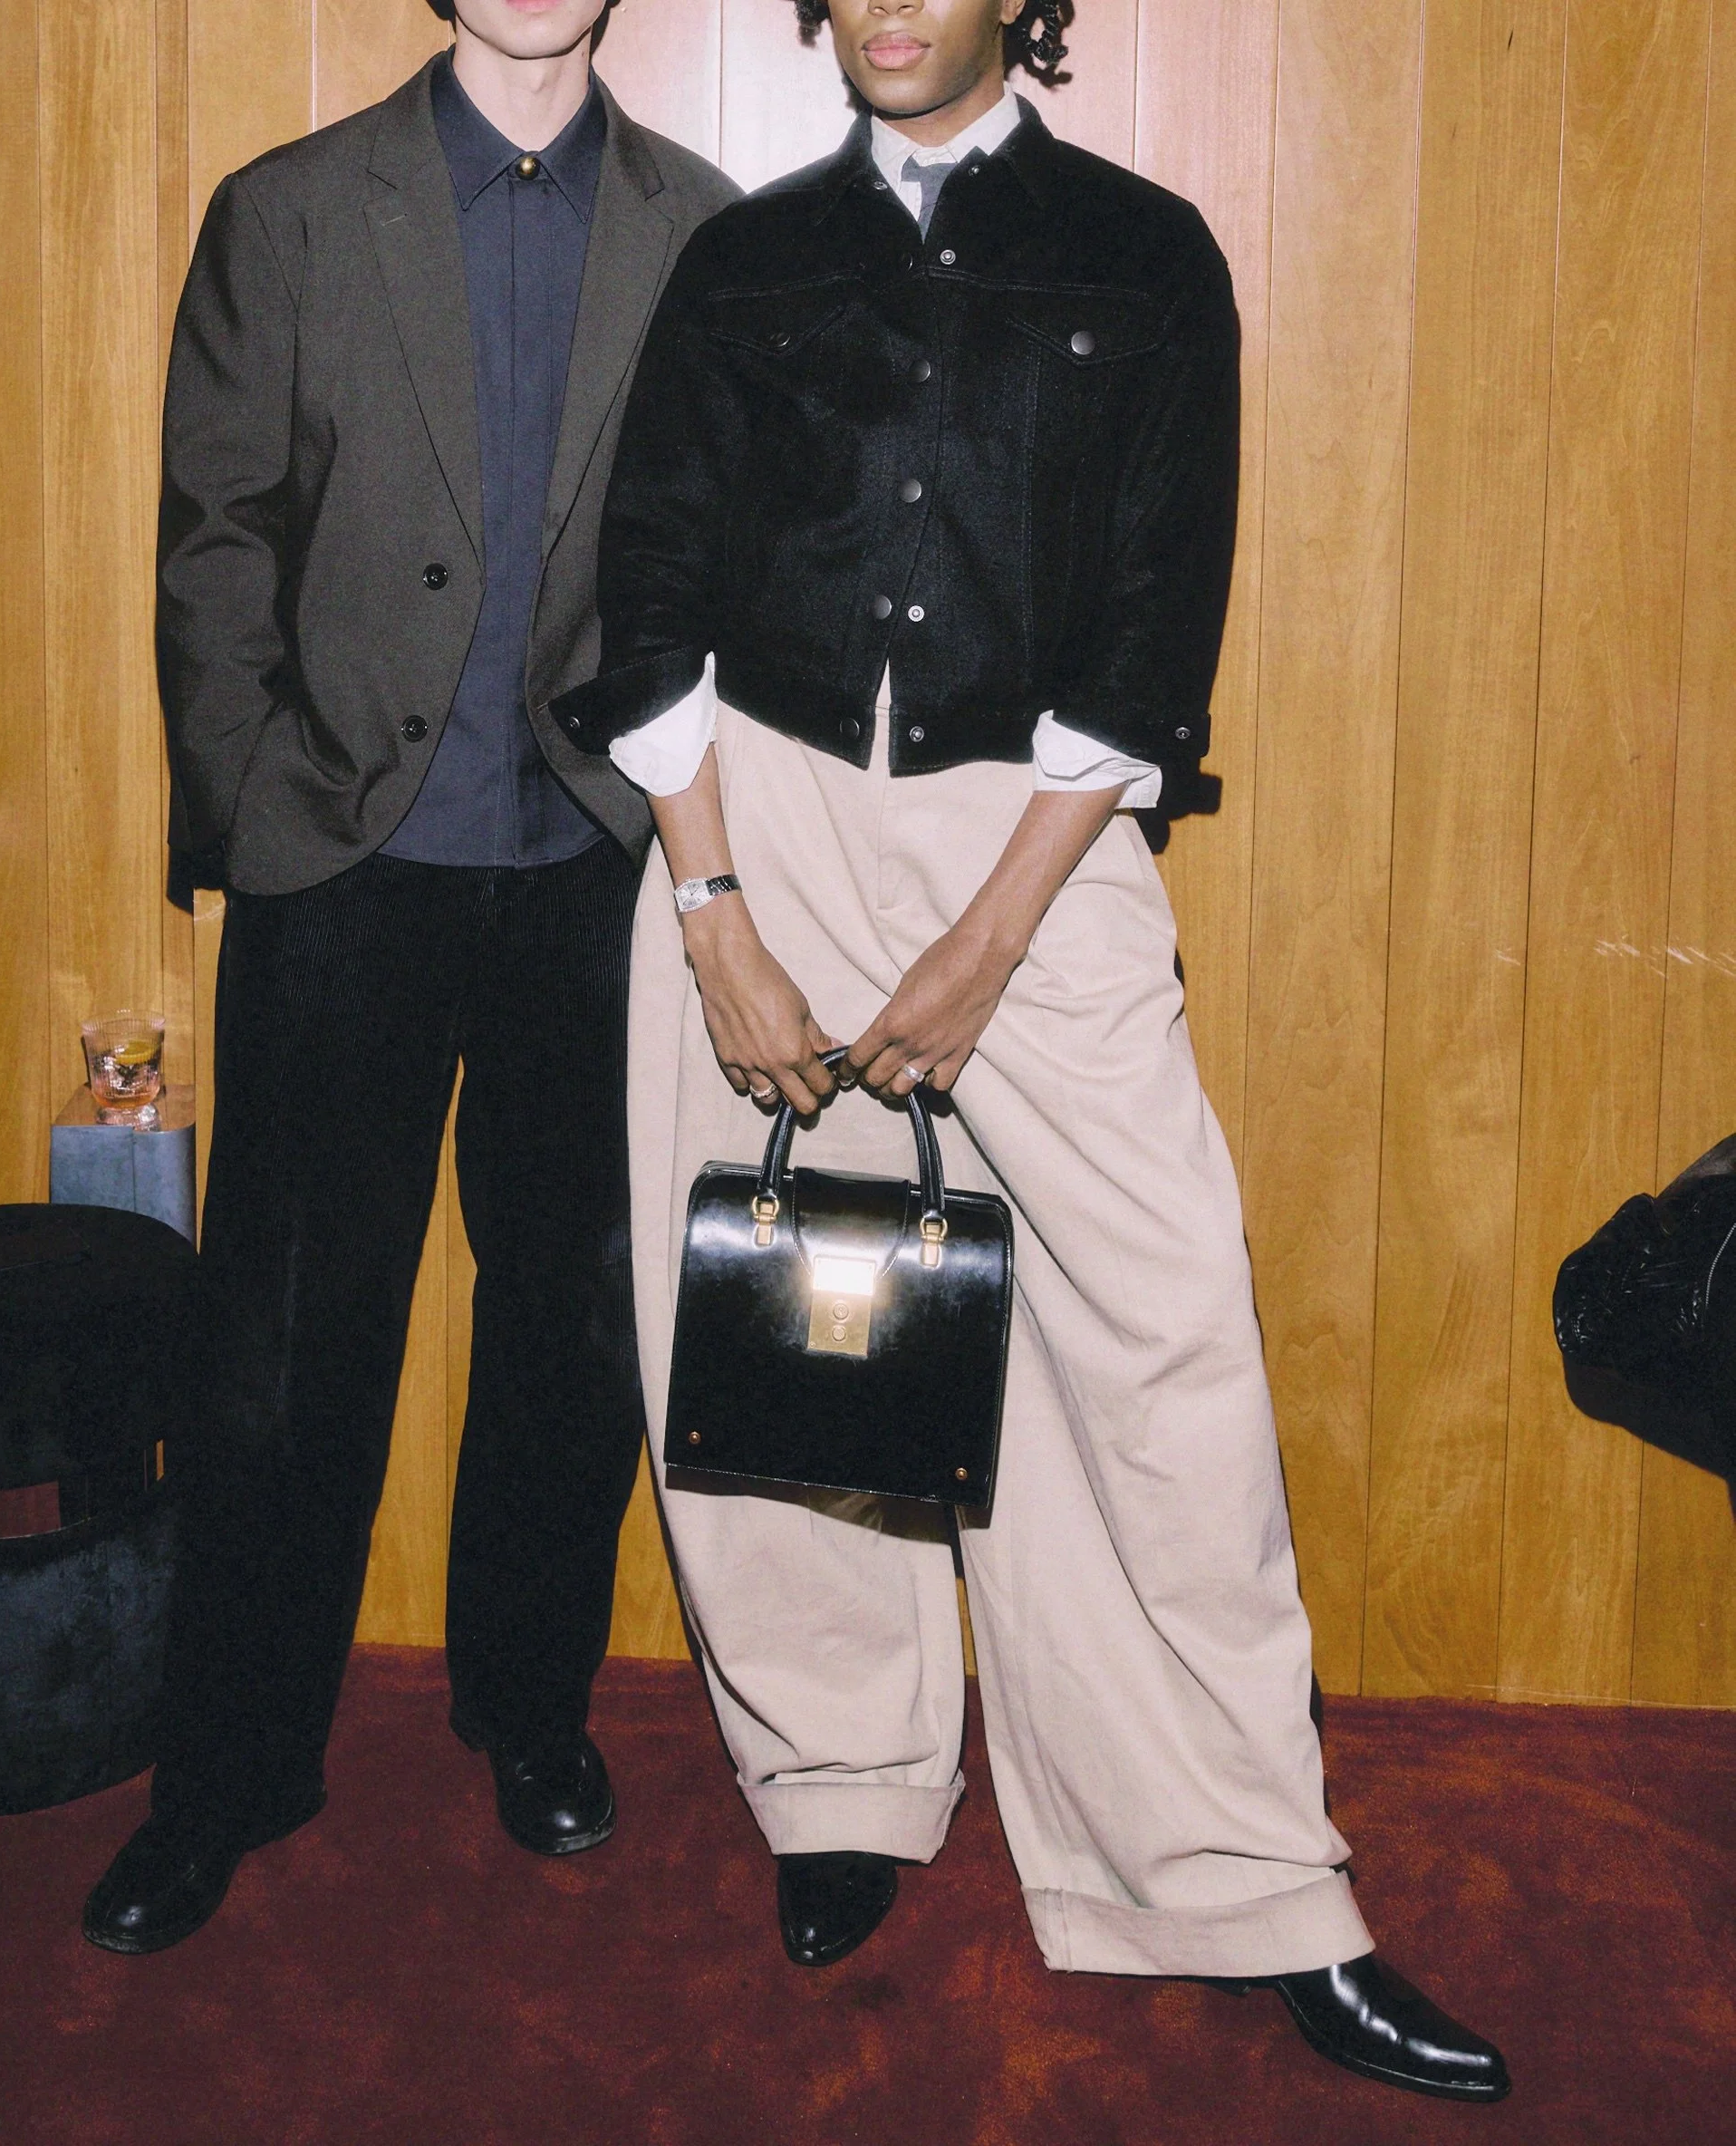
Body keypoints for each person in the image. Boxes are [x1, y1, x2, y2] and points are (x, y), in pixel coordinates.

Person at [552, 0, 1510, 2102]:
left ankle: (1242, 1873)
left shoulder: (1149, 255)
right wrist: (715, 916)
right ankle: (839, 1777)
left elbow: (1158, 621)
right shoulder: (743, 261)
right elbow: (654, 586)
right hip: (753, 829)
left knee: (1161, 1353)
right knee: (782, 1306)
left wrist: (993, 938)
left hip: (1041, 846)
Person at [83, 0, 738, 1956]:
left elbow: (721, 559)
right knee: (284, 1346)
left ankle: (527, 1709)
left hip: (596, 872)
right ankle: (227, 1770)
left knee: (572, 1329)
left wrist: (695, 853)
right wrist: (264, 819)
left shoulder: (703, 228)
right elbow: (214, 538)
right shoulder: (289, 210)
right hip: (344, 874)